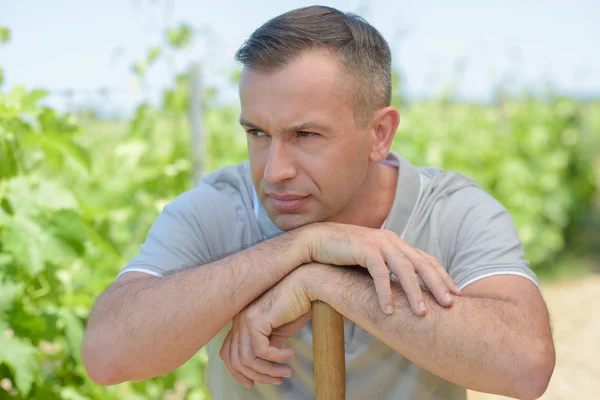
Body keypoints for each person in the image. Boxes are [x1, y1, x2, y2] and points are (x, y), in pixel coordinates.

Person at [81, 5, 555, 400]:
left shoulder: (452, 210)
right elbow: (106, 355)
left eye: (305, 135)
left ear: (379, 134)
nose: (274, 171)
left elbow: (526, 366)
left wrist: (322, 280)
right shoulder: (217, 208)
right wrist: (305, 244)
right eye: (257, 133)